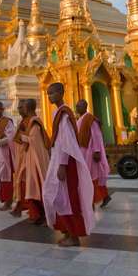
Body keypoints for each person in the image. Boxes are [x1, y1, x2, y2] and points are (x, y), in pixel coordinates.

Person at [42, 83, 94, 247]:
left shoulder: (64, 114)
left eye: (52, 93)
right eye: (48, 94)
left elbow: (67, 142)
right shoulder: (57, 112)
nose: (49, 96)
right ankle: (66, 230)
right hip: (58, 160)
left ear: (61, 93)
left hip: (65, 162)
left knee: (68, 199)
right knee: (55, 195)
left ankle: (74, 235)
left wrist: (63, 165)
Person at [18, 98, 50, 225]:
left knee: (38, 186)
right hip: (31, 158)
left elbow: (34, 141)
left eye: (23, 107)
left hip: (37, 160)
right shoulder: (31, 121)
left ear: (28, 108)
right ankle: (36, 214)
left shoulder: (35, 122)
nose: (22, 109)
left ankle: (45, 215)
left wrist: (21, 136)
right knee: (32, 187)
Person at [75, 100, 111, 209]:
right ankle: (104, 196)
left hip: (91, 152)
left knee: (92, 176)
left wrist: (96, 151)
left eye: (78, 106)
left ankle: (92, 201)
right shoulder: (79, 120)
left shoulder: (90, 119)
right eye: (76, 106)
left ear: (84, 106)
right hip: (82, 152)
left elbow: (96, 135)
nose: (76, 108)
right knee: (89, 176)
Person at [10, 101, 29, 217]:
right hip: (20, 156)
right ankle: (20, 206)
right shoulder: (21, 122)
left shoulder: (32, 121)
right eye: (18, 108)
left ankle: (32, 210)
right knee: (21, 182)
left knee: (28, 183)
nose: (19, 110)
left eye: (21, 108)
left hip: (28, 156)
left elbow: (34, 139)